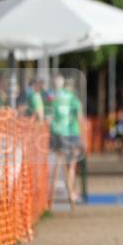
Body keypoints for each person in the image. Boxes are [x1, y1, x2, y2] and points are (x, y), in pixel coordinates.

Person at [47, 74, 85, 205]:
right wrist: (83, 139)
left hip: (56, 134)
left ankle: (65, 193)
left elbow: (48, 115)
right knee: (71, 166)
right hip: (71, 134)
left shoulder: (52, 97)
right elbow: (79, 118)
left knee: (60, 165)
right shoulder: (73, 99)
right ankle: (71, 193)